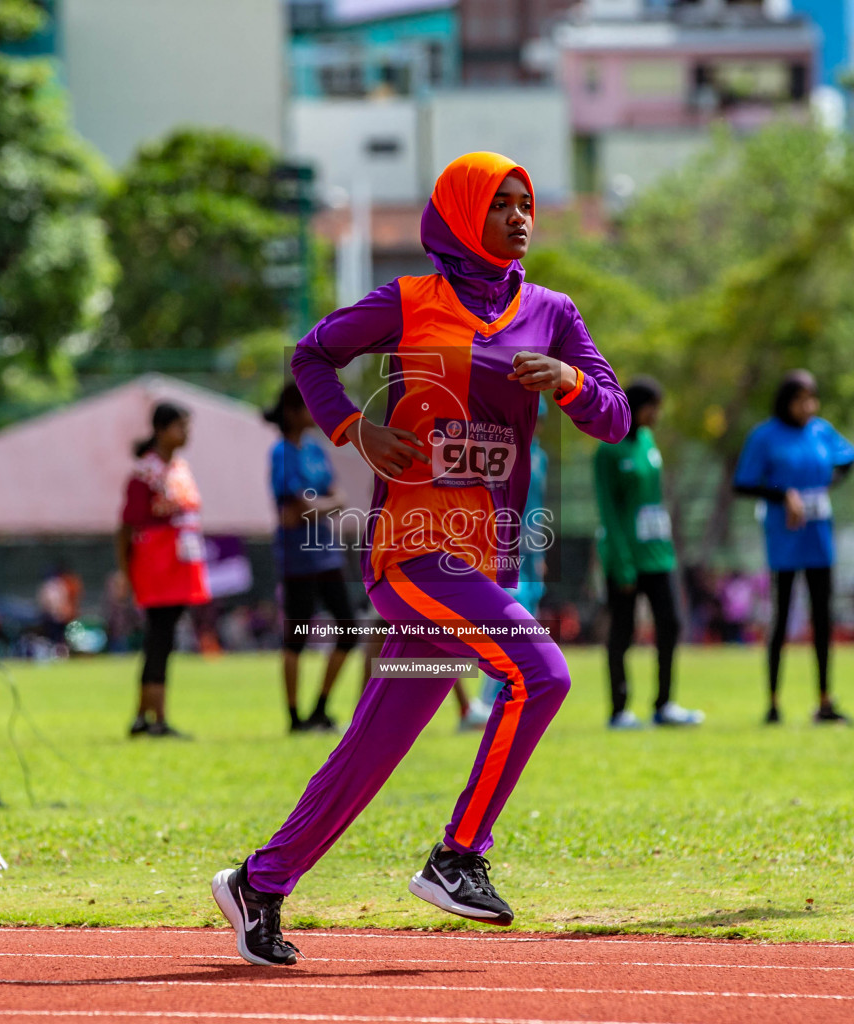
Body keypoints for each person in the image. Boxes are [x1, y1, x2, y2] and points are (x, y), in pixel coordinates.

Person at [211, 151, 630, 966]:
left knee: (372, 748)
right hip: (412, 553)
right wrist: (354, 428)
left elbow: (614, 417)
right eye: (501, 203)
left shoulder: (553, 312)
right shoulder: (408, 302)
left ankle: (259, 884)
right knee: (541, 673)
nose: (520, 217)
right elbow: (311, 356)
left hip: (485, 560)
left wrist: (571, 383)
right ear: (464, 212)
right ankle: (458, 856)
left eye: (527, 203)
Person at [733, 370, 854, 725]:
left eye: (812, 399)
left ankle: (825, 701)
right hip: (785, 536)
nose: (809, 406)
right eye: (802, 400)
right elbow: (743, 483)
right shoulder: (765, 436)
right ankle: (773, 702)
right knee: (782, 618)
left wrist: (824, 486)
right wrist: (783, 494)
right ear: (786, 402)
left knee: (822, 618)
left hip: (819, 535)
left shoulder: (820, 430)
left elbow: (849, 457)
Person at [594, 376, 699, 729]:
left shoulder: (649, 441)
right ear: (637, 408)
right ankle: (619, 709)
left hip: (658, 555)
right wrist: (621, 563)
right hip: (625, 558)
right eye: (653, 407)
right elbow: (609, 510)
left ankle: (665, 704)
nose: (658, 415)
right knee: (622, 633)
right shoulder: (608, 450)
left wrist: (667, 548)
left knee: (671, 622)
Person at [266, 382, 360, 733]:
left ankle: (320, 707)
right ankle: (294, 718)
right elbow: (297, 507)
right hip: (297, 559)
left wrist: (316, 507)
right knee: (296, 638)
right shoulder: (281, 453)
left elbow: (326, 500)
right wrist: (322, 506)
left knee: (348, 630)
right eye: (308, 407)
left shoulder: (316, 449)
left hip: (327, 555)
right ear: (292, 412)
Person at [117, 401, 211, 738]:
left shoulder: (179, 467)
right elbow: (127, 526)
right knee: (160, 639)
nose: (186, 433)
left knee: (162, 638)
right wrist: (125, 573)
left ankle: (143, 717)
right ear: (161, 429)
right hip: (157, 567)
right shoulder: (145, 473)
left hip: (180, 566)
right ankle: (156, 720)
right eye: (180, 426)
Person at [462, 399, 550, 729]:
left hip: (530, 549)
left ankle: (504, 700)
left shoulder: (540, 457)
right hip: (503, 547)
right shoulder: (499, 451)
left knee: (529, 617)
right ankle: (486, 702)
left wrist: (540, 555)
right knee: (510, 622)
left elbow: (538, 506)